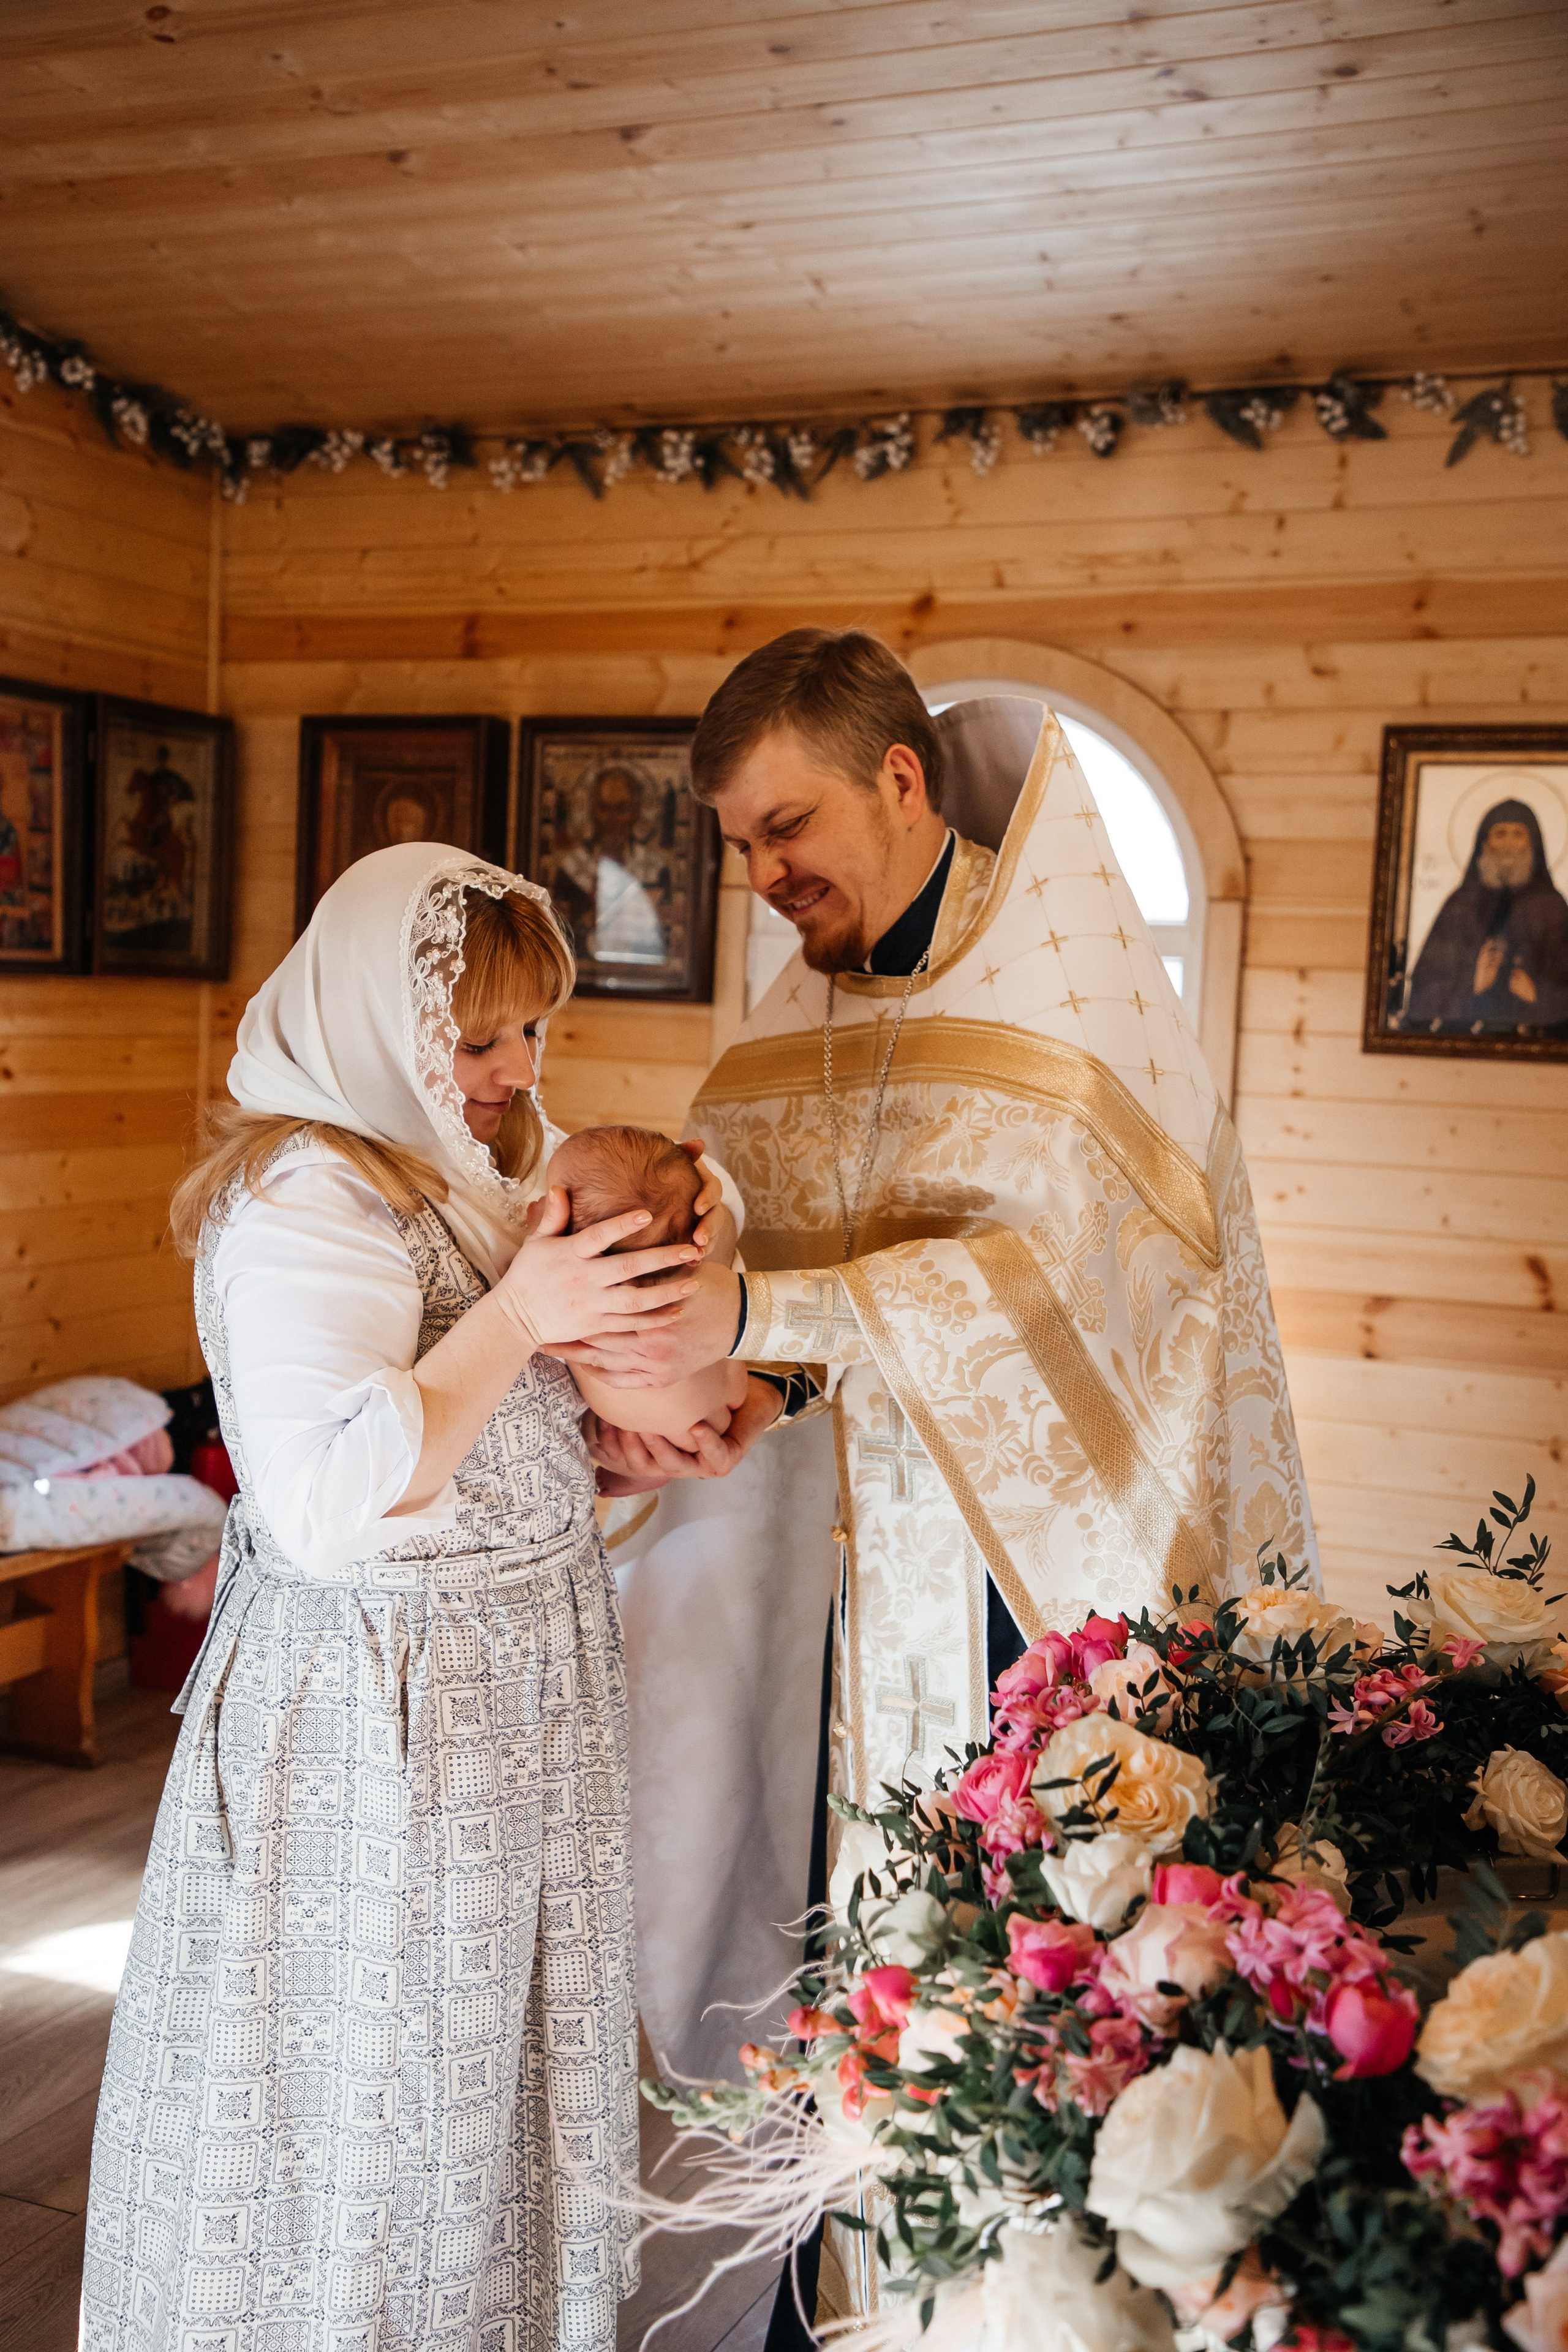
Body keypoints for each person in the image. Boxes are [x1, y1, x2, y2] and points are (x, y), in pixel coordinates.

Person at [565, 633, 1320, 2328]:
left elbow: (1057, 1295)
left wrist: (761, 1316)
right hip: (838, 1609)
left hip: (1035, 1599)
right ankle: (837, 2288)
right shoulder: (801, 1013)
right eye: (741, 844)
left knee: (1028, 1973)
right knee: (832, 1949)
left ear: (899, 780)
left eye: (786, 827)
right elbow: (763, 1263)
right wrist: (728, 1383)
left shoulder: (1069, 1002)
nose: (764, 877)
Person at [79, 843, 725, 2352]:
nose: (518, 1068)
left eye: (533, 1029)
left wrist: (598, 1457)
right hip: (384, 1723)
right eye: (480, 1035)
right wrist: (524, 1316)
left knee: (481, 2082)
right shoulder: (308, 1197)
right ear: (382, 1016)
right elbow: (326, 1501)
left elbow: (461, 1436)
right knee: (376, 2096)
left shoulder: (462, 1165)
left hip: (508, 1692)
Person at [549, 1125, 750, 1447]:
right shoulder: (698, 1263)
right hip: (732, 1381)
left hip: (677, 1427)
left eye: (549, 1199)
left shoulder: (575, 1289)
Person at [1404, 796, 1568, 1031]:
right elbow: (1423, 994)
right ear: (1485, 845)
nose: (1509, 844)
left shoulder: (1552, 908)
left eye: (1518, 834)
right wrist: (1473, 983)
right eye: (1500, 834)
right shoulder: (1461, 906)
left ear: (1532, 845)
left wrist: (1538, 995)